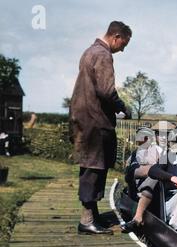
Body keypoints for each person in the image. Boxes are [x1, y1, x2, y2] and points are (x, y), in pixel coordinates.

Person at [69, 21, 132, 235]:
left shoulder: (89, 51)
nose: (123, 49)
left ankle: (91, 217)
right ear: (115, 37)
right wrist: (123, 107)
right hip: (95, 120)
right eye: (124, 43)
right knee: (94, 168)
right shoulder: (104, 55)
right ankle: (87, 221)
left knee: (90, 166)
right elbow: (106, 91)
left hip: (83, 118)